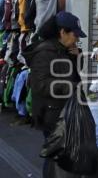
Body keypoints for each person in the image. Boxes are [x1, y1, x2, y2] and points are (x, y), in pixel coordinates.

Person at [22, 11, 87, 178]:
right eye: (74, 34)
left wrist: (77, 57)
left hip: (63, 110)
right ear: (62, 32)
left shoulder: (63, 49)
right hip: (52, 113)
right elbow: (40, 84)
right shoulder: (45, 52)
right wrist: (69, 87)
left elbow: (71, 73)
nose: (77, 39)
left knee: (59, 156)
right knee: (56, 157)